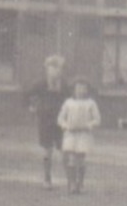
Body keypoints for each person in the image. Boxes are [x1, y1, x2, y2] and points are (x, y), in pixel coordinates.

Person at [24, 54, 71, 189]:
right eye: (53, 67)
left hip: (61, 122)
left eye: (59, 68)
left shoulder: (64, 85)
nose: (57, 71)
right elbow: (26, 94)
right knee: (47, 151)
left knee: (64, 150)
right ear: (47, 69)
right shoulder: (41, 84)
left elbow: (70, 100)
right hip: (45, 121)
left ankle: (70, 180)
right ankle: (47, 178)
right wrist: (31, 107)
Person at [55, 78, 100, 195]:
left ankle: (80, 183)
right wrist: (66, 126)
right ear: (73, 90)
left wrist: (88, 125)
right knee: (71, 159)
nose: (81, 90)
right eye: (78, 88)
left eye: (83, 88)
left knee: (80, 159)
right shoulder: (68, 103)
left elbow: (97, 120)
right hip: (70, 134)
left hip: (84, 134)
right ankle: (71, 183)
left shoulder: (91, 103)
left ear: (87, 90)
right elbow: (60, 119)